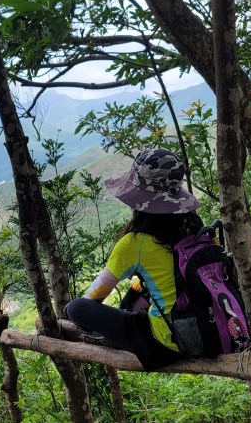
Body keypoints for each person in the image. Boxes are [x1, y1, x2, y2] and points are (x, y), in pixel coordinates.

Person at [65, 148, 203, 371]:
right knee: (137, 290)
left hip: (169, 343)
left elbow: (95, 295)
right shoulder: (197, 227)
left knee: (76, 308)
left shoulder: (136, 242)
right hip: (209, 328)